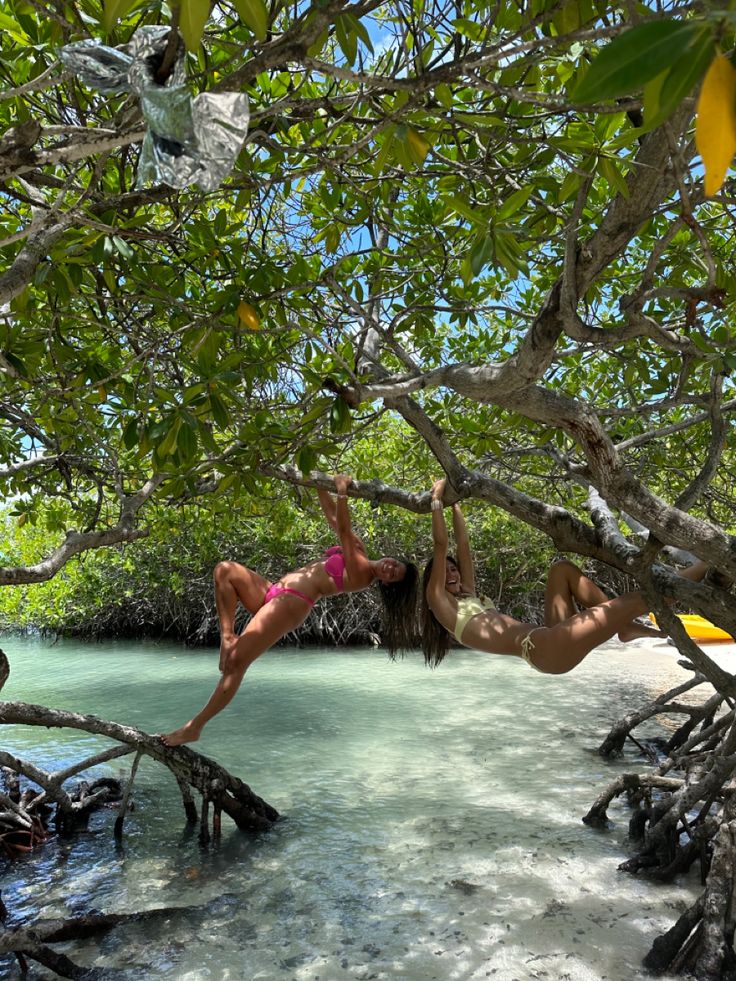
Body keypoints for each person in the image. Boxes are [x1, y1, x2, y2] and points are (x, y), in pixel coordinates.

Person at [162, 475, 419, 746]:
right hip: (275, 591)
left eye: (393, 575)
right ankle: (227, 636)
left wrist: (343, 492)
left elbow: (343, 530)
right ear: (392, 558)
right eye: (395, 565)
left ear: (387, 584)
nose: (389, 569)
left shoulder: (362, 575)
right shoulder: (361, 553)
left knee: (236, 663)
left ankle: (195, 727)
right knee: (225, 570)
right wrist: (321, 483)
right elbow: (334, 519)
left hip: (292, 603)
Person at [421, 477, 709, 672]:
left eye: (453, 567)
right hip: (546, 650)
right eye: (444, 571)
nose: (452, 572)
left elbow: (464, 546)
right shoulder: (440, 603)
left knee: (561, 570)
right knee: (636, 599)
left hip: (550, 635)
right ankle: (707, 564)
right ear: (433, 580)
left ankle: (623, 628)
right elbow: (440, 544)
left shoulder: (468, 594)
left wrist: (454, 502)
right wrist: (436, 500)